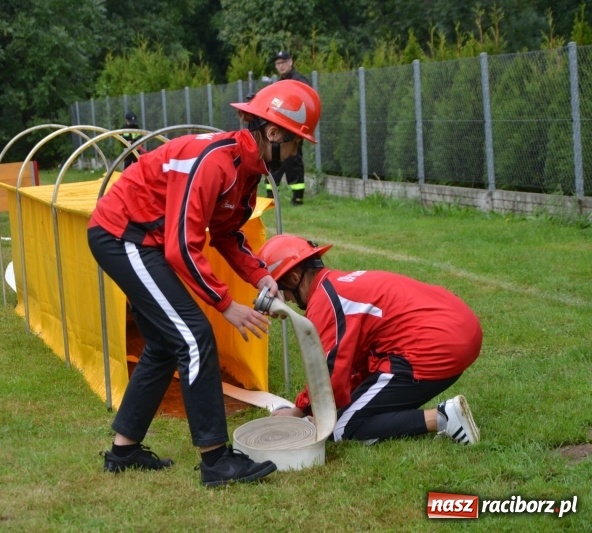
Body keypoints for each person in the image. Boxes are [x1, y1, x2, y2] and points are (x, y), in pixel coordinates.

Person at [87, 80, 321, 487]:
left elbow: (227, 234)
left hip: (144, 241)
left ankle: (123, 451)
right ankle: (216, 462)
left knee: (164, 342)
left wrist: (259, 273)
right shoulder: (216, 161)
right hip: (122, 234)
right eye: (297, 142)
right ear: (273, 133)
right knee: (195, 336)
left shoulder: (246, 172)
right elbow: (182, 246)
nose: (297, 153)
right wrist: (226, 304)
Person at [257, 234, 483, 445]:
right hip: (461, 333)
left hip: (438, 347)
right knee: (351, 406)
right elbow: (355, 367)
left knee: (342, 427)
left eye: (283, 292)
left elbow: (327, 374)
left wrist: (299, 412)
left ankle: (444, 417)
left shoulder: (324, 302)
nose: (286, 300)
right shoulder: (337, 285)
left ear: (295, 277)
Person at [266, 51, 312, 206]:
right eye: (278, 63)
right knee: (274, 158)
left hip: (294, 128)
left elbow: (306, 102)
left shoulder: (299, 81)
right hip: (279, 127)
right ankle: (270, 197)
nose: (281, 66)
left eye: (283, 62)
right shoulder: (278, 83)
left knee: (294, 161)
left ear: (291, 62)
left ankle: (297, 198)